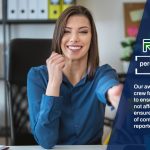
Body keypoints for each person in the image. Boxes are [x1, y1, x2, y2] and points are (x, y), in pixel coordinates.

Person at [27, 5, 123, 149]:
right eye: (66, 31)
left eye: (83, 32)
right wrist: (53, 83)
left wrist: (113, 94)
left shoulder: (102, 73)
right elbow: (46, 141)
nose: (74, 39)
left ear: (92, 38)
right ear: (58, 36)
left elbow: (107, 86)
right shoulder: (37, 76)